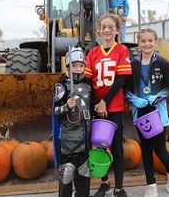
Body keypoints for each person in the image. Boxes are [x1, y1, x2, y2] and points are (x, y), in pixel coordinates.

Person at [124, 28, 169, 197]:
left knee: (161, 150)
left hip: (157, 111)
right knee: (146, 151)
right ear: (138, 43)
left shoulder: (163, 63)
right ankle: (151, 185)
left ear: (155, 42)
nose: (147, 44)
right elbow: (125, 89)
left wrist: (157, 97)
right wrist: (135, 100)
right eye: (143, 41)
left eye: (150, 41)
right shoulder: (133, 65)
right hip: (141, 112)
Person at [85, 14, 132, 197]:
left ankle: (119, 188)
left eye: (111, 27)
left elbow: (120, 79)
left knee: (117, 148)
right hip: (97, 107)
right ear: (99, 29)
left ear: (117, 30)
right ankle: (104, 183)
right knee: (99, 147)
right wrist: (97, 104)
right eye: (103, 27)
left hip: (113, 107)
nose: (107, 30)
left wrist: (105, 102)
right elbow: (88, 81)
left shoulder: (121, 50)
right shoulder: (92, 53)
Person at [52, 45, 93, 197]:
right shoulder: (61, 86)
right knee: (67, 173)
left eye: (80, 65)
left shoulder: (88, 85)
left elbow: (91, 111)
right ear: (68, 66)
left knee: (84, 174)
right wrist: (66, 107)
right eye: (74, 65)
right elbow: (55, 112)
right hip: (68, 141)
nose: (77, 68)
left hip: (84, 139)